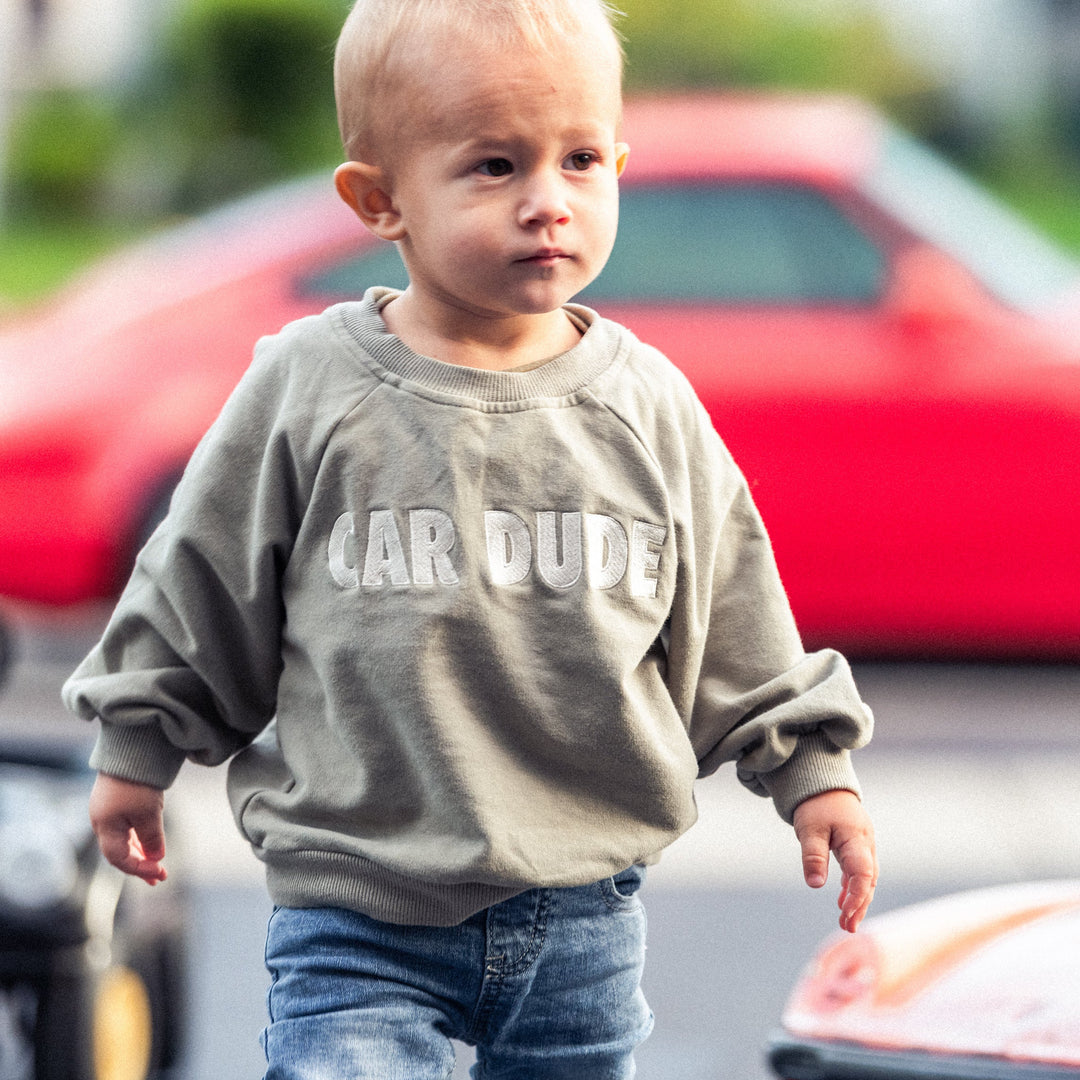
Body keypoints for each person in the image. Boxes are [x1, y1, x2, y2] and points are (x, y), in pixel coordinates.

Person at [63, 0, 878, 1076]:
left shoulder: (648, 404)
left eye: (582, 159)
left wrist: (814, 769)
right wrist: (137, 744)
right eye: (496, 166)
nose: (550, 202)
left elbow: (733, 607)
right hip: (359, 913)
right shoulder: (311, 388)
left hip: (586, 916)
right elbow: (199, 578)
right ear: (379, 199)